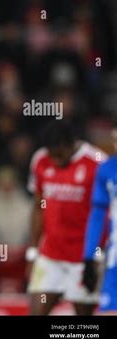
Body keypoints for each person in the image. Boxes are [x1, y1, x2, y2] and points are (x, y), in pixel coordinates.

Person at [27, 120, 106, 315]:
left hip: (83, 258)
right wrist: (33, 252)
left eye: (60, 155)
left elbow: (106, 213)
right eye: (51, 156)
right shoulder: (40, 160)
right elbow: (38, 207)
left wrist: (96, 256)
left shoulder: (97, 162)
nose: (55, 161)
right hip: (50, 255)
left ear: (71, 144)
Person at [82, 120, 117, 315]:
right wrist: (88, 258)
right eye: (114, 140)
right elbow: (97, 215)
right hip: (115, 259)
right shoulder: (107, 170)